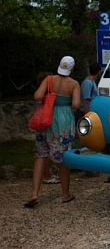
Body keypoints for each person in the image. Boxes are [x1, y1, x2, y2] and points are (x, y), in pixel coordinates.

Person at [24, 56, 81, 207]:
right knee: (63, 158)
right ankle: (66, 194)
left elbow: (37, 96)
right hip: (63, 121)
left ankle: (34, 193)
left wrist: (51, 98)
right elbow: (76, 105)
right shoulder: (74, 84)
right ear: (71, 69)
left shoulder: (49, 79)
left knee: (41, 155)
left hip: (46, 118)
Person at [36, 71, 61, 185]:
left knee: (41, 152)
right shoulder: (48, 96)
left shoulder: (41, 95)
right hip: (49, 124)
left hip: (40, 124)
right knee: (46, 151)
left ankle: (45, 175)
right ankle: (47, 175)